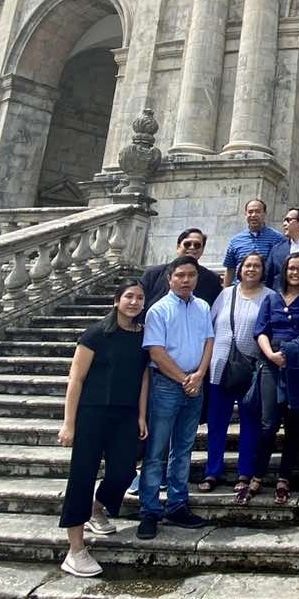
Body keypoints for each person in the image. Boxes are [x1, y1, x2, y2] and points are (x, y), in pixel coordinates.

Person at [57, 279, 149, 578]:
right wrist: (69, 423)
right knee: (81, 477)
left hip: (125, 415)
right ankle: (75, 550)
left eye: (139, 298)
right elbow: (76, 379)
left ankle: (98, 508)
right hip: (92, 414)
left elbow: (144, 378)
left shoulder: (142, 336)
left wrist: (141, 415)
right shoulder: (96, 334)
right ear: (116, 301)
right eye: (128, 297)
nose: (134, 302)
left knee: (124, 472)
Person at [137, 257, 214, 540]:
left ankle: (178, 503)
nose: (185, 280)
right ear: (170, 278)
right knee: (156, 451)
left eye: (191, 275)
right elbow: (155, 352)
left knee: (183, 448)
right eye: (180, 275)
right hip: (167, 385)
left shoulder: (203, 306)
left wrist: (200, 375)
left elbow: (209, 341)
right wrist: (184, 380)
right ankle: (149, 509)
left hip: (195, 383)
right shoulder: (158, 310)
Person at [249, 254, 299, 504]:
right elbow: (260, 330)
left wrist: (293, 350)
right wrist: (271, 354)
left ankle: (284, 477)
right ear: (284, 271)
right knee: (268, 422)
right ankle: (257, 475)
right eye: (291, 268)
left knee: (294, 422)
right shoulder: (271, 299)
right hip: (272, 364)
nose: (295, 272)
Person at [200, 252, 275, 495]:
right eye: (247, 265)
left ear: (263, 271)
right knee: (217, 423)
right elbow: (209, 328)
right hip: (219, 367)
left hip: (251, 369)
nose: (251, 269)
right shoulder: (225, 294)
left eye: (256, 266)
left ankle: (245, 471)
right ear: (240, 269)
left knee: (250, 423)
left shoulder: (270, 297)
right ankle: (212, 471)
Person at [141, 228, 222, 311]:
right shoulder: (153, 274)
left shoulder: (212, 279)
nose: (192, 247)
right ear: (178, 247)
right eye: (187, 244)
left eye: (197, 245)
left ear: (202, 249)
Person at [223, 198, 286, 287]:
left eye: (257, 211)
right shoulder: (236, 241)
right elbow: (230, 269)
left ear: (264, 214)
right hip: (240, 291)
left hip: (267, 291)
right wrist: (225, 293)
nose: (253, 215)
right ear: (245, 214)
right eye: (250, 212)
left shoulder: (278, 239)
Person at [266, 207, 299, 287]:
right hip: (279, 296)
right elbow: (268, 276)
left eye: (288, 220)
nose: (284, 224)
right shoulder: (277, 249)